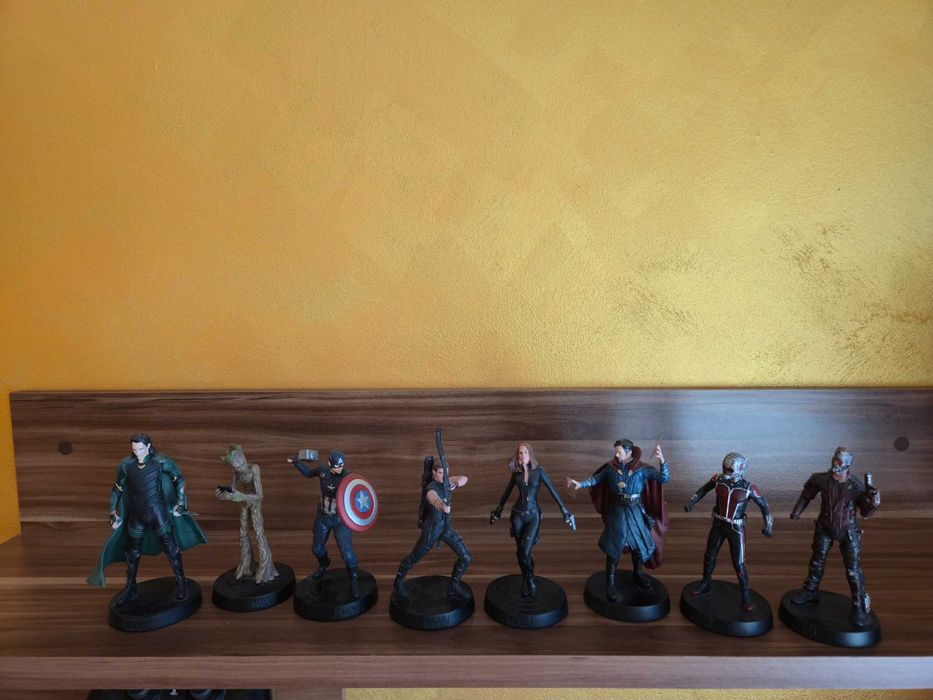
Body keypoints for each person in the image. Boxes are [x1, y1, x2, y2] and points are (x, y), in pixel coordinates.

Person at [88, 434, 207, 604]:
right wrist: (112, 512)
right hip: (137, 514)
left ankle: (181, 582)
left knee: (171, 548)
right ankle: (130, 586)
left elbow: (179, 479)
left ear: (148, 446)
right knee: (132, 551)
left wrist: (180, 502)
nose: (137, 452)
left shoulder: (160, 462)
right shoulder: (127, 466)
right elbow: (117, 489)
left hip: (157, 512)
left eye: (140, 449)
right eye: (134, 449)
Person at [568, 439, 670, 601]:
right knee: (614, 548)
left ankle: (638, 574)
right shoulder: (611, 469)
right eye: (615, 452)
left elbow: (664, 478)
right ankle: (610, 583)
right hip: (618, 512)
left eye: (619, 452)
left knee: (638, 545)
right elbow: (596, 479)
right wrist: (580, 484)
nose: (616, 455)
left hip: (635, 511)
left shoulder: (642, 470)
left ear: (629, 453)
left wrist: (662, 460)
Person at [790, 446, 881, 627]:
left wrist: (874, 503)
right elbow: (806, 495)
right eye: (834, 459)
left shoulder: (856, 486)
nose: (835, 463)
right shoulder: (821, 479)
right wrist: (796, 512)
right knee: (817, 561)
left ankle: (858, 605)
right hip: (825, 527)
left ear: (847, 465)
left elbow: (865, 512)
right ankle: (810, 591)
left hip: (848, 531)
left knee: (853, 570)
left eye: (839, 461)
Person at [684, 452, 773, 611]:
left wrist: (769, 525)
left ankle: (745, 596)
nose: (725, 472)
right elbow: (703, 489)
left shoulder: (749, 488)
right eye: (724, 468)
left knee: (739, 564)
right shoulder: (717, 479)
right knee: (709, 555)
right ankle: (705, 583)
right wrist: (691, 502)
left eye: (730, 470)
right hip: (718, 524)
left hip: (736, 529)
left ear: (740, 469)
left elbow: (764, 506)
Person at [490, 442, 574, 597]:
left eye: (526, 452)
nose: (523, 456)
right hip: (517, 515)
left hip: (533, 515)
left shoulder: (539, 471)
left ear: (531, 455)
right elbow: (507, 492)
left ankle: (530, 578)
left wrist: (564, 510)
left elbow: (553, 490)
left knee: (525, 550)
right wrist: (498, 509)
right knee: (520, 552)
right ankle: (526, 578)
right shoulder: (516, 474)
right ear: (517, 455)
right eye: (520, 453)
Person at [393, 456, 472, 601]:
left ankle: (454, 586)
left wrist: (455, 483)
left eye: (446, 472)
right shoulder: (431, 488)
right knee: (414, 557)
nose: (444, 476)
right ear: (434, 473)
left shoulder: (446, 482)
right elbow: (433, 498)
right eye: (441, 473)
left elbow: (464, 478)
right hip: (432, 530)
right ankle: (398, 582)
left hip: (446, 528)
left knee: (466, 558)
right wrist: (442, 505)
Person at [288, 450, 360, 598]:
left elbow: (358, 494)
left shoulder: (348, 477)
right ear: (329, 464)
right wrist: (296, 462)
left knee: (347, 554)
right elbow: (308, 473)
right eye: (336, 466)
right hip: (323, 516)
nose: (339, 469)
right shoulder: (322, 470)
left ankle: (354, 579)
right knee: (316, 549)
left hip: (340, 520)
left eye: (341, 466)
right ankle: (324, 563)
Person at [216, 445, 278, 584]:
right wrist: (224, 495)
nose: (242, 468)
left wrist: (242, 496)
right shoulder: (236, 472)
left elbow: (260, 495)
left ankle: (265, 567)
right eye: (238, 467)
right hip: (245, 500)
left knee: (258, 532)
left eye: (243, 464)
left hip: (254, 502)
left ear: (245, 459)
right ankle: (246, 565)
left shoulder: (254, 468)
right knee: (243, 531)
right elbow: (233, 490)